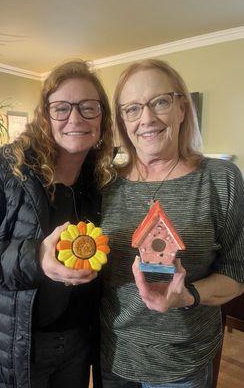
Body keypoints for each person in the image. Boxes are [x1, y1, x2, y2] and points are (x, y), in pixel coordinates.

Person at [0, 60, 115, 388]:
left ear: (102, 118)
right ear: (45, 116)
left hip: (79, 344)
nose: (75, 118)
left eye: (88, 107)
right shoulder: (3, 170)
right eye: (61, 108)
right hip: (11, 345)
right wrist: (34, 256)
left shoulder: (102, 180)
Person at [100, 59, 244, 388]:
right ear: (123, 120)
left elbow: (237, 273)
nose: (147, 118)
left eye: (160, 102)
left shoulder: (220, 180)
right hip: (113, 355)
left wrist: (188, 295)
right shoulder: (105, 184)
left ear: (181, 108)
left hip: (183, 364)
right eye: (132, 109)